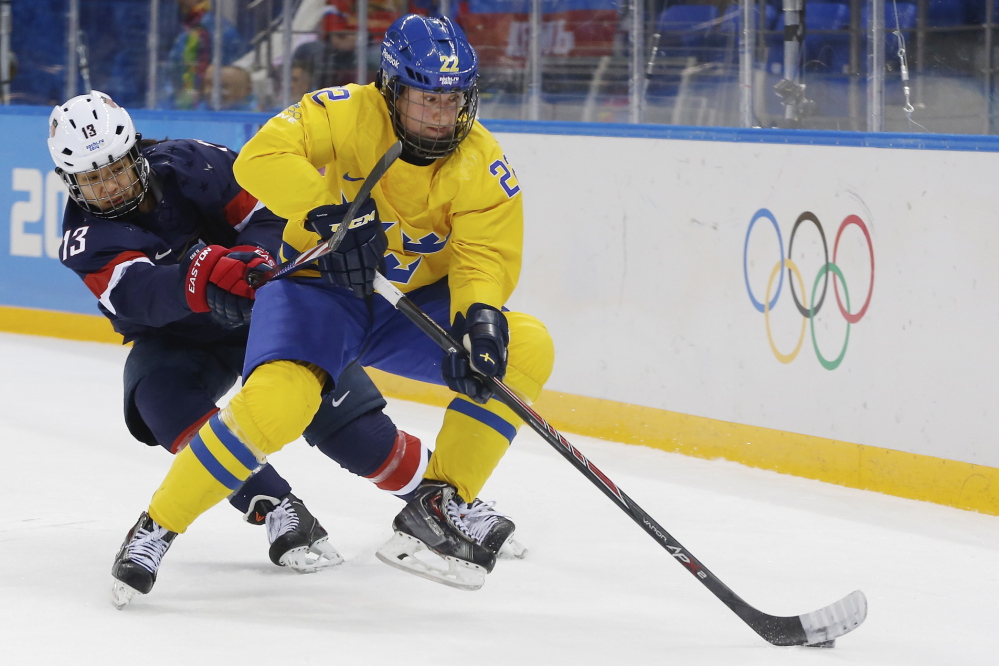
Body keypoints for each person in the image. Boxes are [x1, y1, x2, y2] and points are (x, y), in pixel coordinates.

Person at [110, 12, 552, 595]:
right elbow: (260, 156)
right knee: (280, 402)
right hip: (318, 290)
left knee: (525, 347)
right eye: (427, 99)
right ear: (391, 88)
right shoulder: (343, 110)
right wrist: (330, 213)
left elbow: (483, 259)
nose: (443, 117)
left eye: (454, 100)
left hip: (408, 304)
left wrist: (481, 317)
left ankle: (437, 506)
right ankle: (157, 526)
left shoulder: (482, 164)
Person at [164, 0, 246, 110]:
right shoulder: (183, 28)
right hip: (185, 100)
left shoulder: (219, 29)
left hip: (206, 103)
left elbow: (229, 71)